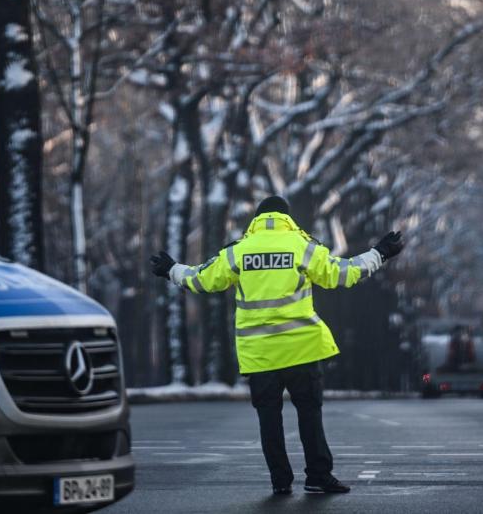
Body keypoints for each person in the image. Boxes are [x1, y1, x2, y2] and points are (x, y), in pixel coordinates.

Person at [150, 195, 404, 495]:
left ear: (257, 219)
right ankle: (318, 476)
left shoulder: (239, 251)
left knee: (269, 420)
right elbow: (342, 274)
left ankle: (280, 482)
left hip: (259, 355)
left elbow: (203, 279)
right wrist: (380, 253)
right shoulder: (302, 247)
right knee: (310, 415)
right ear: (287, 218)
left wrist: (171, 270)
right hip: (301, 349)